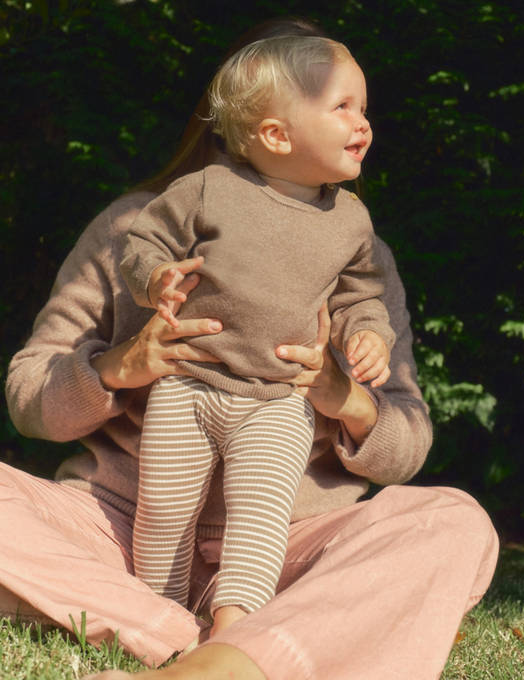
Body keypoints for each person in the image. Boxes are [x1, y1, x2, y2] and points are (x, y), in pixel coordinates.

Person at [0, 18, 499, 680]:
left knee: (453, 525)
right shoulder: (133, 228)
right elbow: (29, 397)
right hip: (115, 531)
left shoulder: (355, 249)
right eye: (335, 104)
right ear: (263, 123)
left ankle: (225, 649)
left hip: (293, 548)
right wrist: (120, 367)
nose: (358, 122)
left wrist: (345, 398)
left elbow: (406, 445)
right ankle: (209, 650)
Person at [121, 35, 395, 635]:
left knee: (260, 516)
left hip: (279, 400)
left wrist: (370, 336)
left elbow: (360, 295)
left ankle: (233, 629)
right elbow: (143, 244)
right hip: (188, 385)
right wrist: (155, 278)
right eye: (343, 107)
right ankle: (158, 619)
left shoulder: (351, 220)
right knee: (163, 509)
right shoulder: (207, 190)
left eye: (364, 108)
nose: (364, 123)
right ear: (276, 135)